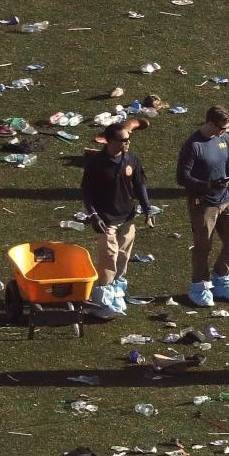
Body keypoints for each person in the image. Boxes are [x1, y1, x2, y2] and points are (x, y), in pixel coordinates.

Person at [176, 106, 229, 306]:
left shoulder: (223, 139)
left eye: (226, 129)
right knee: (203, 246)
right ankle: (199, 287)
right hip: (203, 203)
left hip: (226, 199)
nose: (224, 132)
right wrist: (207, 185)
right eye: (221, 128)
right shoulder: (193, 145)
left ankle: (222, 281)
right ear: (209, 123)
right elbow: (182, 177)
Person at [81, 119, 154, 319]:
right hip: (106, 220)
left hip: (127, 217)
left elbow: (140, 185)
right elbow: (86, 192)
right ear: (109, 141)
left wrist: (147, 209)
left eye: (128, 140)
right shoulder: (96, 164)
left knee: (122, 257)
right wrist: (93, 215)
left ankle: (116, 294)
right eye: (123, 141)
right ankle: (100, 301)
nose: (127, 144)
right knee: (108, 259)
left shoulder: (131, 159)